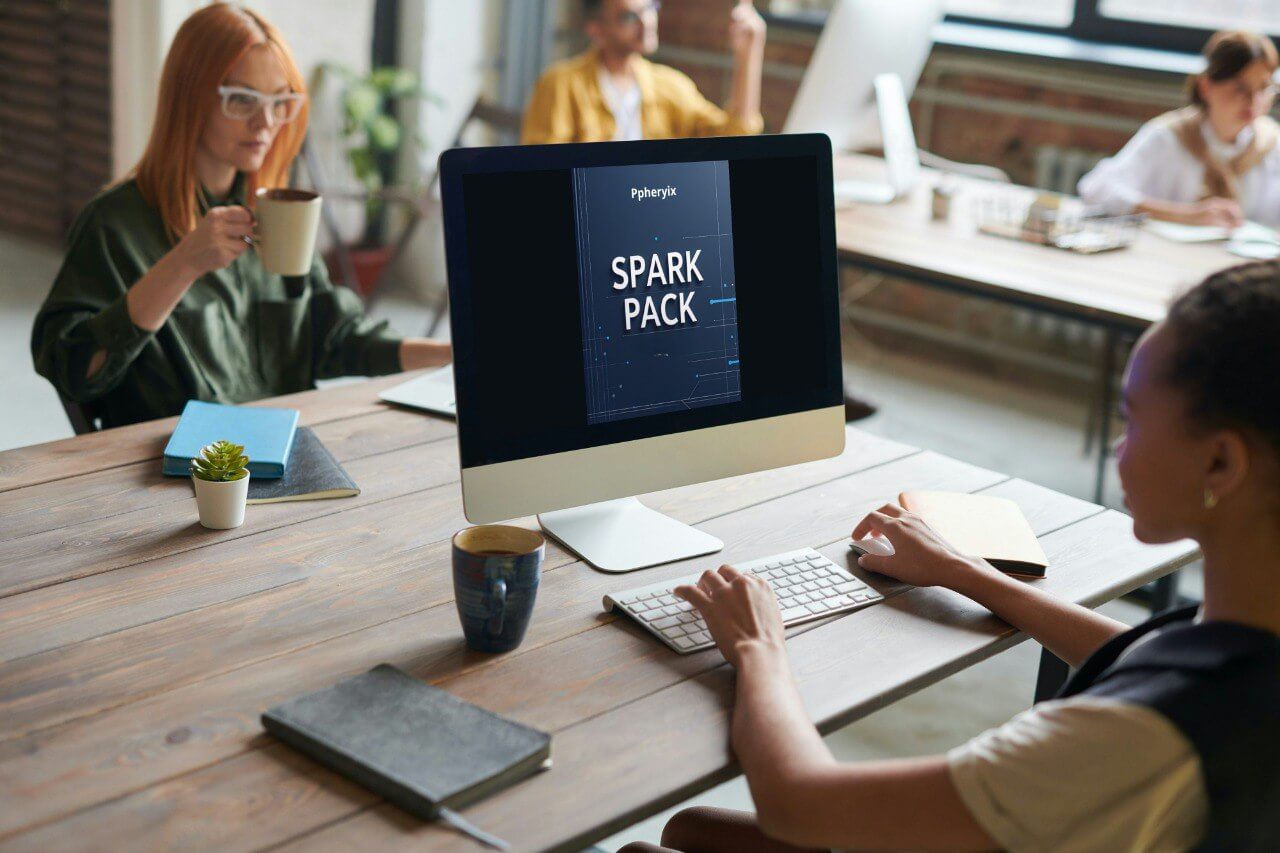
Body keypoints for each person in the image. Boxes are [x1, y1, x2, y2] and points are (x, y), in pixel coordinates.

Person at [620, 261, 1280, 851]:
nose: (1117, 447)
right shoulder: (1248, 634)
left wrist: (758, 646)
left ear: (1220, 461)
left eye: (1131, 417)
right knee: (690, 832)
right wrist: (960, 570)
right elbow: (1142, 652)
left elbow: (799, 802)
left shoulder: (1140, 742)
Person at [31, 3, 450, 430]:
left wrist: (456, 356)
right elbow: (72, 370)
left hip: (286, 457)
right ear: (188, 98)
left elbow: (340, 339)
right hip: (181, 476)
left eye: (280, 101)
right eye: (242, 99)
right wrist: (183, 264)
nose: (265, 121)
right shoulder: (113, 226)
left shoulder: (276, 213)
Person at [1079, 30, 1280, 228]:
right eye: (1240, 88)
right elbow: (1097, 189)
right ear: (1206, 86)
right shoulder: (1169, 136)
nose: (1254, 101)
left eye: (1264, 88)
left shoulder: (1271, 144)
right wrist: (1184, 215)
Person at [521, 0, 766, 145]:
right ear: (596, 30)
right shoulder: (561, 85)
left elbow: (734, 137)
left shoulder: (670, 85)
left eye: (650, 7)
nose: (647, 21)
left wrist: (748, 56)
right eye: (629, 17)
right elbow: (543, 173)